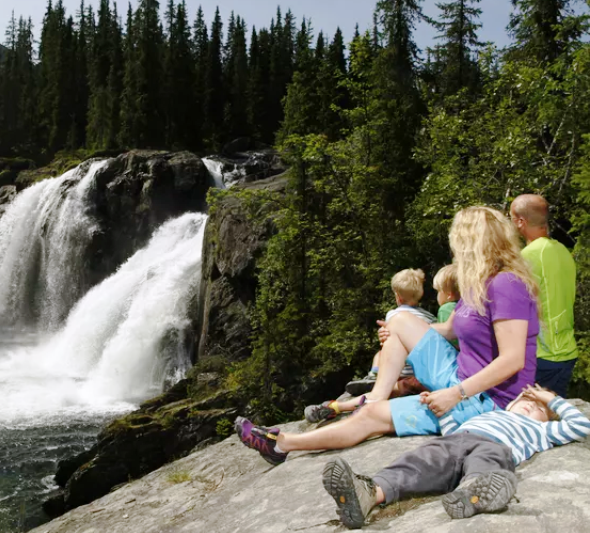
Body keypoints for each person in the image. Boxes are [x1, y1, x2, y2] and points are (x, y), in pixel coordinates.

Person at [236, 206, 539, 466]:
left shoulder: (506, 285)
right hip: (459, 374)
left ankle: (283, 444)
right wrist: (398, 330)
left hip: (488, 399)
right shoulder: (478, 283)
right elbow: (450, 330)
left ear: (473, 243)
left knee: (373, 418)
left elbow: (513, 359)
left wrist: (453, 395)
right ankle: (375, 396)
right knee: (401, 318)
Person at [321, 384, 590, 529]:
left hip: (494, 446)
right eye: (528, 400)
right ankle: (368, 493)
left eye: (539, 408)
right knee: (418, 462)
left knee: (487, 461)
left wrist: (550, 399)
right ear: (511, 404)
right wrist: (440, 409)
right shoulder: (490, 414)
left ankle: (474, 492)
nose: (532, 404)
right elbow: (452, 430)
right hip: (455, 441)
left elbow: (581, 426)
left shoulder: (543, 429)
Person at [306, 269, 436, 421]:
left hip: (402, 374)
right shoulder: (430, 318)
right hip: (418, 374)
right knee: (391, 386)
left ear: (397, 297)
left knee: (382, 375)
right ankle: (344, 401)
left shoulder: (395, 315)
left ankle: (338, 404)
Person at [510, 194, 578, 397]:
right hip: (566, 351)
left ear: (521, 221)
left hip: (541, 354)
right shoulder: (563, 251)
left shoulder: (527, 256)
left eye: (511, 219)